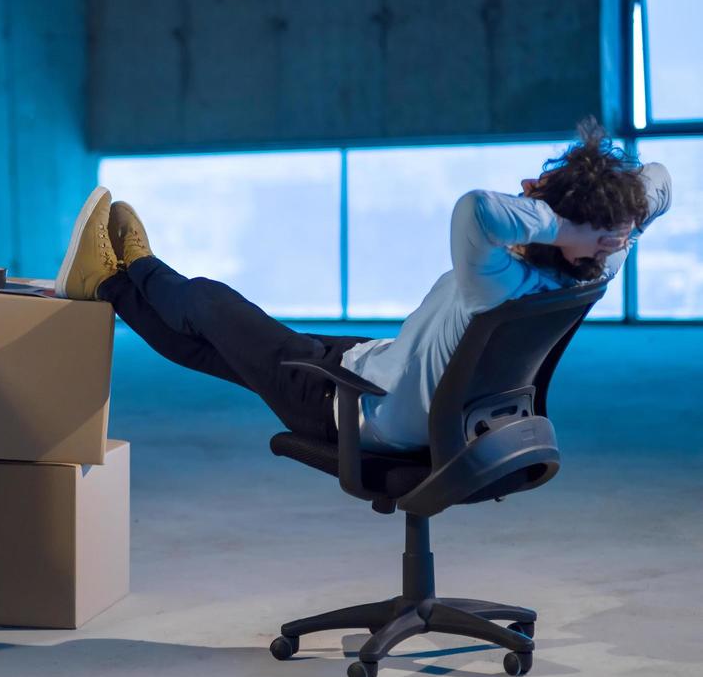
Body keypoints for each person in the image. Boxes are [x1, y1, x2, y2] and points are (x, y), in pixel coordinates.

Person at [54, 119, 672, 453]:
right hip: (377, 367)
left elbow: (474, 210)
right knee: (226, 346)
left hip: (350, 407)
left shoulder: (500, 279)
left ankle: (128, 274)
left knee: (216, 306)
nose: (619, 240)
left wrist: (563, 221)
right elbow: (661, 178)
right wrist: (615, 218)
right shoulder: (597, 266)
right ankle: (115, 284)